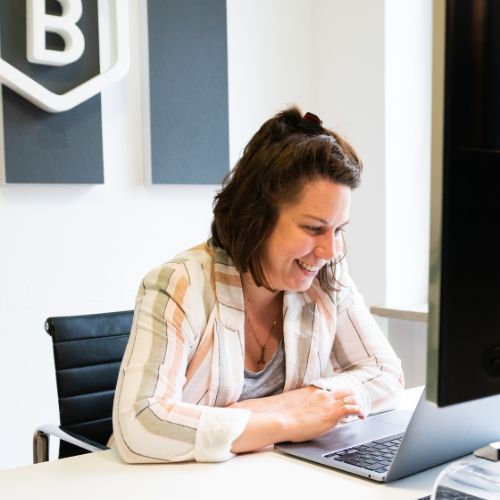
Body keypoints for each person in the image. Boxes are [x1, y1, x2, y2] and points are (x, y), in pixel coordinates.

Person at [112, 107, 404, 463]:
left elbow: (386, 374)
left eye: (338, 229)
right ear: (257, 218)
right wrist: (288, 421)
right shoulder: (179, 285)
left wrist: (295, 404)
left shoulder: (327, 277)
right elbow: (140, 424)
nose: (330, 250)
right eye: (314, 229)